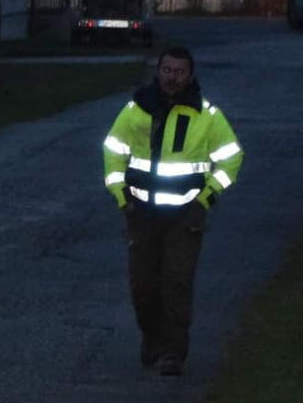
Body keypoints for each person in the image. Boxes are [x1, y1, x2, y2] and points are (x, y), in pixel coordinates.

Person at [102, 44, 243, 375]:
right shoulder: (136, 109)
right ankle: (152, 339)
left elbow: (232, 157)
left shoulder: (207, 116)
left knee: (177, 282)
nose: (172, 77)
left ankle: (172, 352)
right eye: (167, 70)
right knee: (143, 286)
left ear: (190, 76)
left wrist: (207, 198)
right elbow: (113, 150)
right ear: (158, 72)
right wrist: (122, 197)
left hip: (185, 214)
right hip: (141, 212)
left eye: (179, 72)